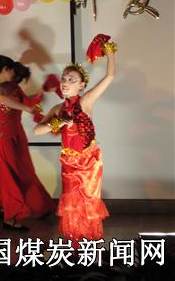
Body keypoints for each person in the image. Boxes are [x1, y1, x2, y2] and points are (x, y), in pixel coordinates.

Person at [34, 35, 116, 245]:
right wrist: (58, 123)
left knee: (88, 201)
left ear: (82, 85)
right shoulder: (58, 109)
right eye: (64, 78)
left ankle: (89, 241)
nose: (65, 83)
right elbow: (37, 131)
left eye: (72, 80)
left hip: (88, 161)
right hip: (69, 163)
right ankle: (74, 244)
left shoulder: (86, 101)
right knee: (71, 203)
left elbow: (110, 76)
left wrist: (110, 53)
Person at [0, 53, 54, 230]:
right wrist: (27, 108)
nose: (15, 76)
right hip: (3, 138)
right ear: (5, 69)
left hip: (18, 136)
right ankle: (10, 217)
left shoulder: (14, 87)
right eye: (13, 72)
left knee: (19, 172)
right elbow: (4, 100)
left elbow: (28, 102)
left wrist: (42, 91)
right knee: (10, 176)